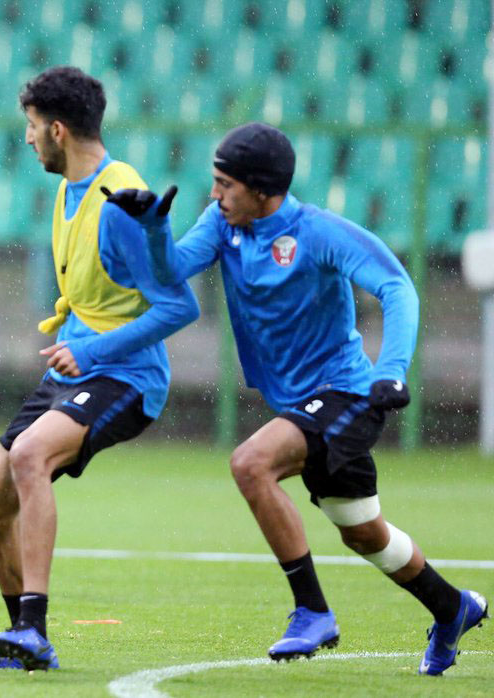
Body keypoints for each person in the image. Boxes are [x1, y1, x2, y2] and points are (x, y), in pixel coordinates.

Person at [108, 121, 487, 675]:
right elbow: (172, 273)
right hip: (301, 405)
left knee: (251, 464)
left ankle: (312, 611)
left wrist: (391, 371)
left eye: (225, 184)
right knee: (363, 532)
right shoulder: (222, 223)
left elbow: (396, 286)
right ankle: (453, 608)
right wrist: (152, 229)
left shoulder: (318, 231)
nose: (214, 193)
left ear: (262, 189)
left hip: (348, 394)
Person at [0, 66, 200, 671]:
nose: (27, 138)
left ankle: (34, 630)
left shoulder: (121, 202)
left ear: (58, 130)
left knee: (29, 456)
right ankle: (22, 642)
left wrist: (91, 352)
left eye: (31, 126)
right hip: (74, 370)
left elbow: (180, 306)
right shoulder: (70, 188)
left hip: (127, 376)